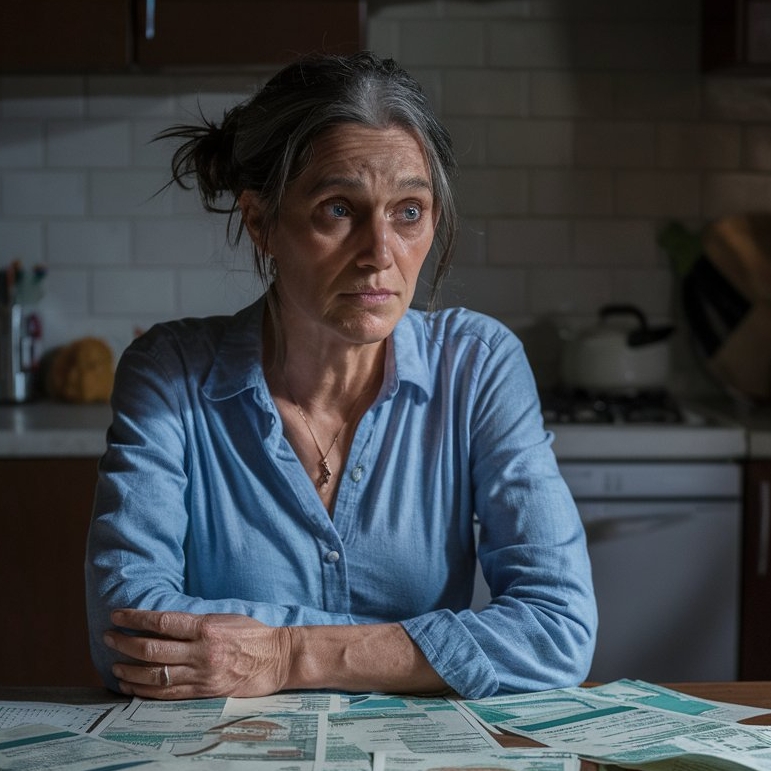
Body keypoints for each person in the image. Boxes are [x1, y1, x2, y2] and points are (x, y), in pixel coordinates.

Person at [84, 51, 596, 701]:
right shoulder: (170, 373)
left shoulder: (478, 364)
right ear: (260, 222)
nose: (380, 254)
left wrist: (288, 654)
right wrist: (420, 647)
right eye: (337, 209)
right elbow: (126, 635)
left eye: (407, 211)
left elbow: (557, 629)